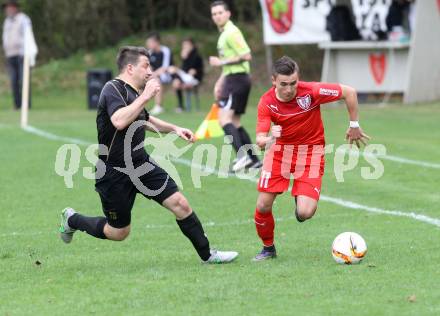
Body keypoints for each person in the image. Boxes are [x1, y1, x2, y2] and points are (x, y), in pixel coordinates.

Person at [58, 46, 238, 264]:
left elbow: (145, 120)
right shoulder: (112, 89)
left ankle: (208, 255)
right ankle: (72, 219)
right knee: (119, 232)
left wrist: (174, 128)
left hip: (140, 163)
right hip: (113, 171)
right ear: (130, 68)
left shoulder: (135, 93)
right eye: (146, 66)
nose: (150, 71)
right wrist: (145, 96)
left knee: (180, 203)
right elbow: (119, 120)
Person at [252, 56, 370, 261]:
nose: (289, 89)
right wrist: (271, 137)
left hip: (311, 155)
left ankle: (301, 200)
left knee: (305, 213)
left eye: (293, 83)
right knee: (263, 205)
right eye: (283, 84)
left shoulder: (312, 92)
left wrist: (354, 125)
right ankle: (268, 248)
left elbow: (349, 92)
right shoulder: (267, 102)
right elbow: (260, 141)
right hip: (279, 154)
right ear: (273, 81)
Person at [209, 1, 261, 172]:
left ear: (228, 14)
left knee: (224, 119)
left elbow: (246, 55)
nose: (217, 16)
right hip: (233, 78)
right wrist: (220, 81)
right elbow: (228, 65)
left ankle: (242, 157)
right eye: (214, 14)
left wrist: (221, 62)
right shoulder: (224, 34)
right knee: (235, 122)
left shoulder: (231, 32)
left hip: (237, 79)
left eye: (220, 13)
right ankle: (254, 160)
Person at [2, 0, 33, 109]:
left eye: (11, 7)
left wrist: (28, 52)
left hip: (22, 54)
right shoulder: (7, 21)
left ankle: (26, 104)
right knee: (14, 80)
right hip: (11, 55)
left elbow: (28, 37)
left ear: (16, 8)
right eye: (7, 8)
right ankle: (17, 104)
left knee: (24, 79)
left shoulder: (23, 19)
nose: (9, 10)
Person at [168, 37, 204, 112]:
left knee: (175, 77)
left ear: (192, 45)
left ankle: (181, 106)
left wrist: (195, 70)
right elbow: (184, 69)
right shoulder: (185, 55)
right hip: (185, 77)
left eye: (187, 45)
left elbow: (198, 70)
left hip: (194, 79)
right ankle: (180, 106)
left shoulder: (197, 56)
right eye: (184, 45)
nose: (185, 47)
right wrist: (184, 58)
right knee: (175, 80)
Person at [145, 32, 173, 115]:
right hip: (154, 74)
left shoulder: (165, 50)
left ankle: (158, 106)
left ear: (156, 42)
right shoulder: (149, 52)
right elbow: (148, 66)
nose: (148, 45)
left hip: (167, 74)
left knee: (156, 80)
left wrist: (153, 74)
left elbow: (165, 67)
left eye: (150, 43)